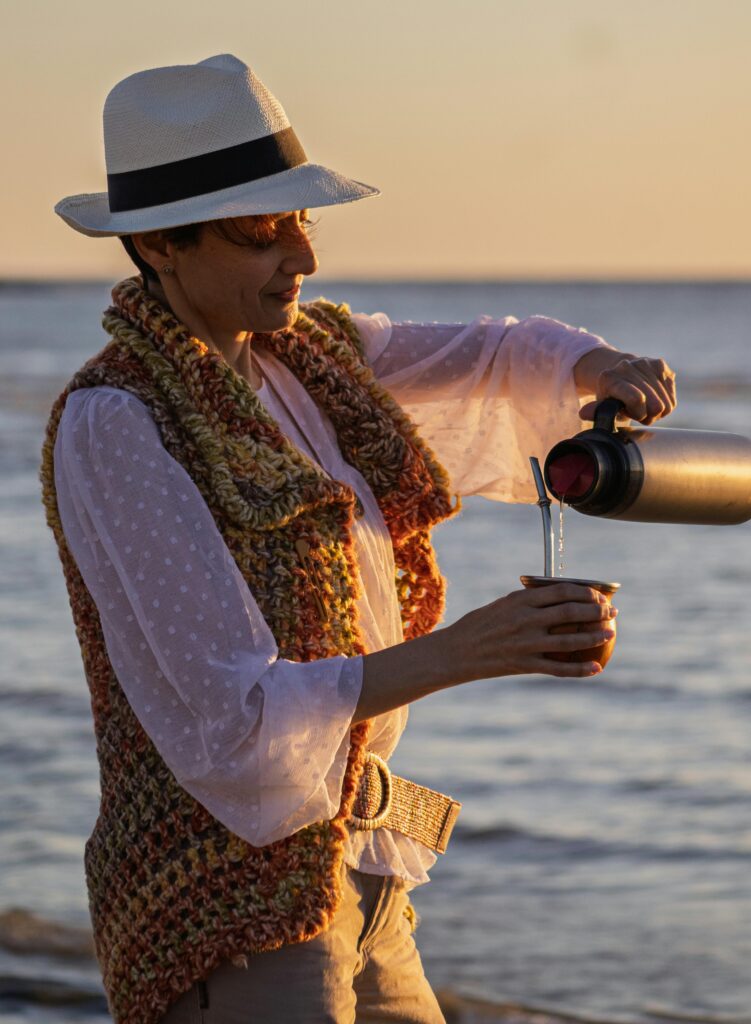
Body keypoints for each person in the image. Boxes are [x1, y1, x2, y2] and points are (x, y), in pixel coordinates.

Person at [41, 54, 677, 1024]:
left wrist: (601, 364)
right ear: (162, 246)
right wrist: (467, 650)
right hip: (229, 903)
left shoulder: (309, 362)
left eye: (302, 221)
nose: (300, 256)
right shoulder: (117, 420)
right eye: (262, 232)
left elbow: (494, 359)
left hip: (366, 873)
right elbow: (231, 714)